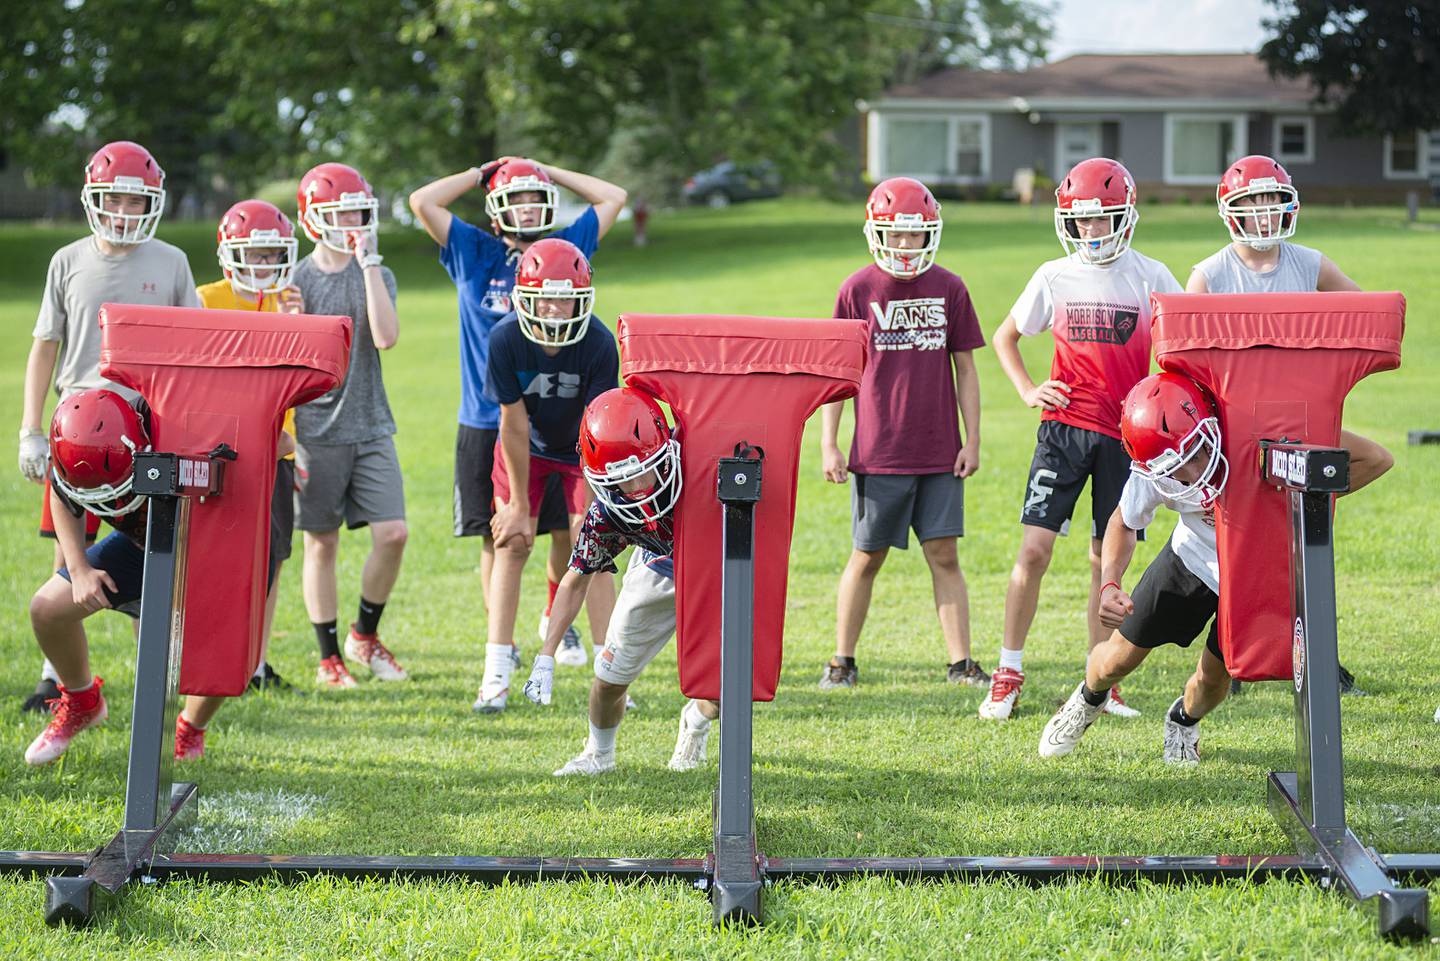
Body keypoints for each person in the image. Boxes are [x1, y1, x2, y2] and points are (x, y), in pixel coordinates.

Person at [1038, 372, 1391, 762]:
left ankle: (1183, 719)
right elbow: (1123, 521)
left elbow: (1376, 459)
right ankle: (1087, 700)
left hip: (1251, 574)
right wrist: (1109, 583)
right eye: (1174, 470)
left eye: (1195, 454)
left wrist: (1307, 499)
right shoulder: (1156, 464)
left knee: (1213, 679)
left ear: (1210, 425)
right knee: (1117, 658)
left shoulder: (1261, 431)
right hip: (1190, 559)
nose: (1191, 476)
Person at [980, 157, 1183, 721]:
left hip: (1127, 438)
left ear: (1127, 216)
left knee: (1105, 560)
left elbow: (1183, 344)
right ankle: (1008, 670)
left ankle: (1103, 673)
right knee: (1034, 550)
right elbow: (1005, 336)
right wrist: (1026, 389)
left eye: (1104, 219)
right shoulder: (1055, 275)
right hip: (1063, 433)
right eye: (1083, 222)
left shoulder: (1151, 275)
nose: (1092, 231)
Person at [408, 157, 627, 669]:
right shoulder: (474, 249)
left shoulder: (565, 253)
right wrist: (482, 171)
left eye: (536, 197)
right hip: (488, 416)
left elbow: (612, 196)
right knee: (501, 532)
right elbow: (422, 201)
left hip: (555, 415)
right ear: (497, 206)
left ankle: (559, 622)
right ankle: (501, 646)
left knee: (566, 529)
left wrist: (550, 170)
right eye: (518, 197)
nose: (528, 207)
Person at [1187, 153, 1393, 695]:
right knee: (1240, 557)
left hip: (1300, 422)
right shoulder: (1210, 273)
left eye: (1271, 200)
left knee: (1372, 461)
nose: (1262, 212)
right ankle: (1235, 648)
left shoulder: (1309, 263)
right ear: (1230, 211)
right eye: (1250, 202)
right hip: (1235, 429)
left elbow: (1366, 313)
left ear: (1288, 204)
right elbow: (1181, 362)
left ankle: (1314, 645)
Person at [19, 140, 200, 713]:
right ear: (94, 199)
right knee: (67, 551)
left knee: (150, 550)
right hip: (75, 430)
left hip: (145, 428)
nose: (123, 210)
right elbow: (44, 347)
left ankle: (159, 677)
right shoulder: (68, 260)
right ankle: (58, 678)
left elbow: (194, 344)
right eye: (114, 199)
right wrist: (29, 427)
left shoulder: (169, 260)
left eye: (134, 200)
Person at [816, 176, 987, 690]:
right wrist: (830, 441)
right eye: (897, 234)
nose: (907, 245)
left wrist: (972, 438)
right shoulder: (857, 289)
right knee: (866, 556)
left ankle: (961, 663)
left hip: (938, 450)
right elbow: (837, 375)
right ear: (877, 232)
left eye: (916, 235)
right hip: (878, 451)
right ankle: (841, 661)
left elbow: (966, 369)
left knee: (945, 555)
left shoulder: (950, 287)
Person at [24, 391, 223, 762]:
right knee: (47, 609)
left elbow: (280, 442)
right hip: (142, 540)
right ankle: (82, 701)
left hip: (214, 545)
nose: (104, 499)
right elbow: (62, 493)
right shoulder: (76, 442)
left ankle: (189, 729)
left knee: (227, 653)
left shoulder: (180, 423)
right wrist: (79, 568)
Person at [526, 388, 714, 775]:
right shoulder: (608, 513)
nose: (635, 491)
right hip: (659, 569)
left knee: (723, 689)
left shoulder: (704, 461)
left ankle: (695, 721)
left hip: (717, 574)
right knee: (610, 678)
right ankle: (599, 754)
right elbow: (575, 579)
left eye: (642, 472)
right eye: (620, 482)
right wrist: (546, 653)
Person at [480, 238, 619, 713]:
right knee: (513, 541)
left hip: (584, 445)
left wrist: (594, 504)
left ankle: (611, 668)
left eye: (566, 298)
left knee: (593, 544)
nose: (557, 310)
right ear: (524, 296)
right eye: (547, 298)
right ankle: (496, 670)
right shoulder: (505, 338)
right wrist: (519, 503)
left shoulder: (599, 342)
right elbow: (513, 423)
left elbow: (599, 421)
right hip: (527, 448)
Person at [292, 162, 409, 689]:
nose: (353, 223)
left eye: (359, 213)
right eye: (341, 214)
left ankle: (365, 634)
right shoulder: (298, 278)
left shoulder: (377, 272)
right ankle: (328, 656)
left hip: (370, 423)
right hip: (317, 430)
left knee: (393, 533)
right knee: (323, 543)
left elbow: (385, 337)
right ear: (314, 219)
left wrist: (366, 267)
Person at [197, 199, 305, 692]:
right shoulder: (203, 299)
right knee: (208, 558)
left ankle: (256, 663)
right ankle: (201, 654)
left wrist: (298, 327)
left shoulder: (290, 301)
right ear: (230, 253)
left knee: (273, 557)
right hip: (216, 449)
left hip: (276, 449)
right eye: (254, 254)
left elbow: (303, 384)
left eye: (271, 255)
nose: (264, 265)